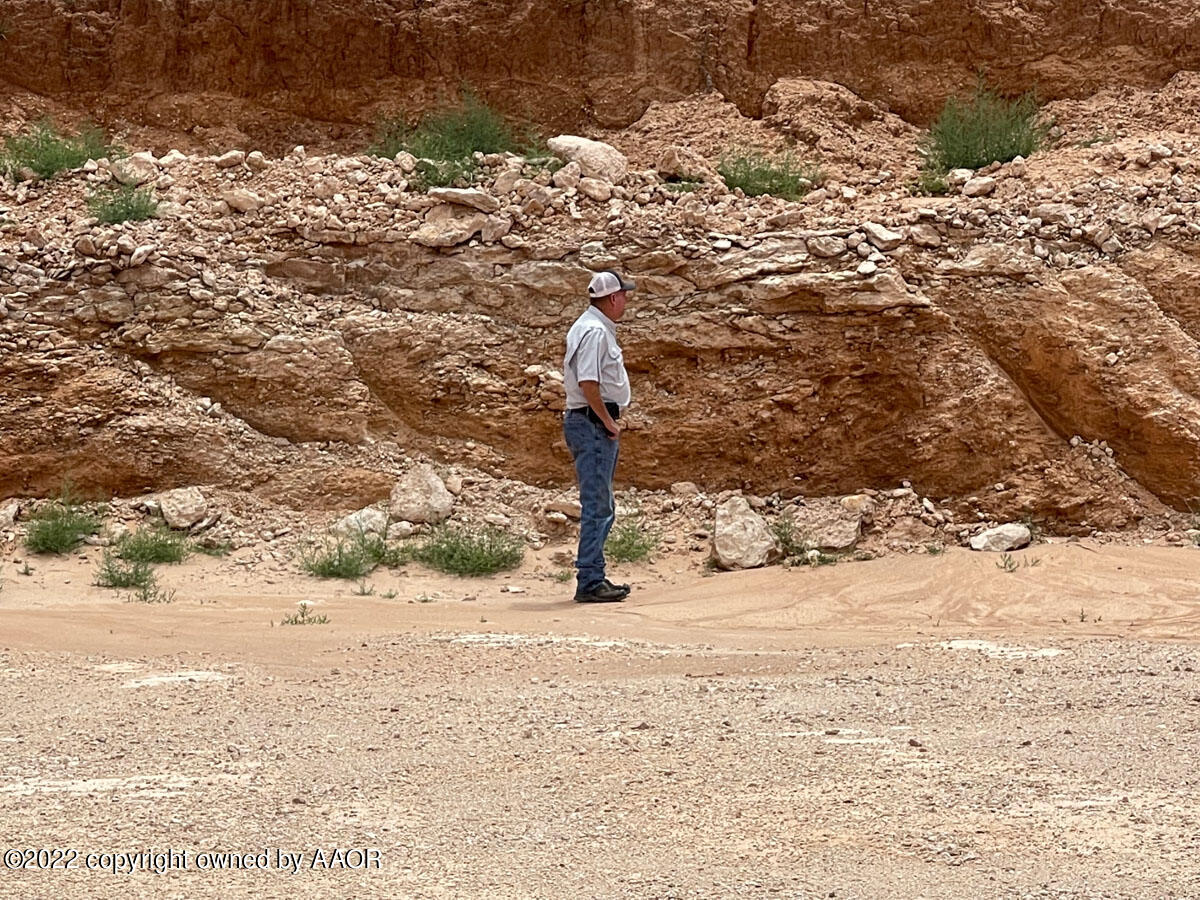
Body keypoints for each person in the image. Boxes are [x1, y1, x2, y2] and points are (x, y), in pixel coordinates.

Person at [562, 270, 636, 603]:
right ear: (613, 298)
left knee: (600, 503)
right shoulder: (594, 331)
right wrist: (608, 421)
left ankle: (593, 576)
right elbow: (588, 383)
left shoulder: (590, 327)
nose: (626, 301)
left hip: (589, 422)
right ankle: (590, 581)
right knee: (598, 505)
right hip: (592, 423)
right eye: (624, 295)